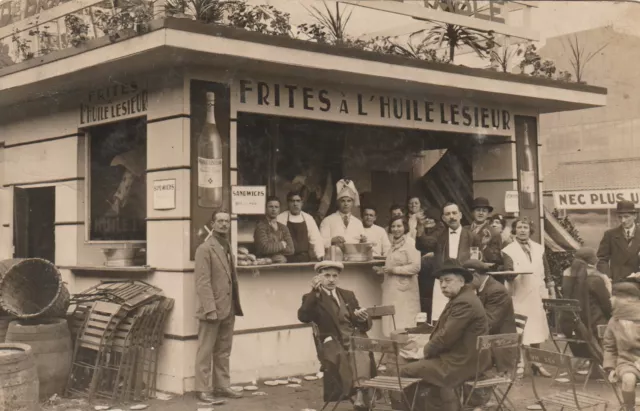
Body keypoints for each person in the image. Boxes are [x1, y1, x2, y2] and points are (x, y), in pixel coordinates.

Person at [396, 260, 490, 410]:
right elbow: (446, 333)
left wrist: (423, 351)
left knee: (406, 370)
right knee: (418, 367)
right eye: (441, 282)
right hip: (464, 358)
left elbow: (446, 336)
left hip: (463, 363)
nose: (443, 285)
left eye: (448, 280)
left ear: (461, 281)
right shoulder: (462, 298)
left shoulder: (464, 302)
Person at [297, 261, 375, 409]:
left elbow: (363, 324)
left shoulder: (347, 295)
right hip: (332, 341)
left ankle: (358, 393)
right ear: (319, 277)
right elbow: (303, 317)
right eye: (327, 275)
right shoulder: (312, 297)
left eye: (335, 275)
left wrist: (363, 318)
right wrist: (314, 292)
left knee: (360, 348)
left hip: (353, 335)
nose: (331, 279)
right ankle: (360, 392)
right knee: (356, 350)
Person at [194, 210, 244, 403]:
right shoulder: (205, 249)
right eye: (220, 221)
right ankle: (202, 389)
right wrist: (210, 309)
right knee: (206, 349)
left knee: (224, 349)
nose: (224, 224)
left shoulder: (226, 246)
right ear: (212, 224)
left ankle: (222, 386)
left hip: (229, 307)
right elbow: (202, 282)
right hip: (212, 309)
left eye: (227, 221)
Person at [502, 218, 556, 377]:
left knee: (537, 329)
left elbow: (546, 271)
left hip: (536, 294)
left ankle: (536, 363)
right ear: (514, 230)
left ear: (530, 230)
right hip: (519, 294)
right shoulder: (508, 250)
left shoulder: (539, 249)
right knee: (521, 329)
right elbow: (508, 271)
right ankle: (520, 363)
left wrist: (551, 292)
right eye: (519, 227)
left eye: (525, 227)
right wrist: (512, 273)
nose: (522, 230)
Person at [464, 259, 517, 374]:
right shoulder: (483, 287)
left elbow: (489, 323)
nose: (465, 284)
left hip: (500, 345)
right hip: (491, 339)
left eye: (467, 281)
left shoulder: (496, 291)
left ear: (476, 275)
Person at [560, 247, 612, 359]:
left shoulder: (568, 277)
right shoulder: (596, 279)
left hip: (571, 327)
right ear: (594, 261)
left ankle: (586, 362)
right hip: (591, 328)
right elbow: (607, 306)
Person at [373, 215, 421, 336]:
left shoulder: (409, 243)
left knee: (403, 322)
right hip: (393, 290)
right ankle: (394, 349)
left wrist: (393, 269)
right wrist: (382, 270)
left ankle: (403, 351)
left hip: (405, 291)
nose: (396, 229)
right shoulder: (393, 245)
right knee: (392, 321)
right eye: (393, 226)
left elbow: (416, 267)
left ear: (405, 227)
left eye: (399, 226)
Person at [432, 202, 476, 322]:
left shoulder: (472, 236)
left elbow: (477, 260)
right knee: (442, 317)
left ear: (460, 215)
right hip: (444, 282)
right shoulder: (439, 237)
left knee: (464, 317)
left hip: (464, 281)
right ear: (443, 218)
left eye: (454, 213)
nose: (451, 216)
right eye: (448, 214)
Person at [603, 279, 640, 411]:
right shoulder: (614, 321)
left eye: (616, 297)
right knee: (628, 380)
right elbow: (609, 347)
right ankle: (629, 408)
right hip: (627, 361)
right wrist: (610, 367)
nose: (612, 299)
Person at [597, 200, 640, 283]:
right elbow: (602, 259)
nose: (623, 220)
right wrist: (607, 276)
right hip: (617, 282)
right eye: (620, 217)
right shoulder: (610, 235)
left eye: (626, 216)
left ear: (635, 216)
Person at [277, 190, 325, 262]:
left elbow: (316, 239)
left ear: (302, 203)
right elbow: (276, 240)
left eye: (298, 201)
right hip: (286, 259)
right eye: (292, 201)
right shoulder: (280, 218)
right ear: (288, 203)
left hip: (304, 259)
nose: (295, 204)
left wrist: (320, 255)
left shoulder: (308, 218)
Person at [320, 179, 367, 249]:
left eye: (349, 201)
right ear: (338, 203)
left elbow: (362, 245)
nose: (346, 204)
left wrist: (363, 241)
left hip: (353, 258)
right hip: (334, 257)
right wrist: (332, 240)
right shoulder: (327, 220)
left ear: (352, 203)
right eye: (343, 201)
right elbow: (319, 242)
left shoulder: (358, 223)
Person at [415, 207, 445, 315]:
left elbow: (430, 243)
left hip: (433, 271)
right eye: (426, 218)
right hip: (423, 270)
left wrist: (420, 230)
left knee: (431, 299)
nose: (427, 220)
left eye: (431, 218)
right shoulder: (426, 230)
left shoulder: (440, 229)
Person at [254, 196, 294, 263]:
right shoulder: (261, 226)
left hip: (281, 265)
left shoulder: (283, 228)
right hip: (264, 264)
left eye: (276, 207)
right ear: (265, 209)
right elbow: (264, 248)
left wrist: (272, 247)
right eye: (271, 206)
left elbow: (291, 249)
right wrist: (282, 244)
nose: (273, 209)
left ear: (279, 210)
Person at [466, 197, 503, 270]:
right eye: (478, 210)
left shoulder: (494, 233)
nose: (481, 213)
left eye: (484, 211)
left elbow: (496, 259)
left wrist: (484, 246)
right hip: (465, 270)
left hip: (483, 272)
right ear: (472, 212)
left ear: (488, 214)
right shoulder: (464, 230)